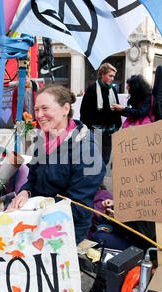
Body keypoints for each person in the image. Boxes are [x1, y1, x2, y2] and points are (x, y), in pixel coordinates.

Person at [7, 85, 106, 243]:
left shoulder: (86, 149)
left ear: (65, 109)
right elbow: (32, 181)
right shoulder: (42, 141)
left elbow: (78, 206)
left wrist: (34, 211)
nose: (39, 115)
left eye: (45, 108)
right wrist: (25, 192)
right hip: (36, 219)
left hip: (67, 228)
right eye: (36, 109)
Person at [80, 62, 121, 164]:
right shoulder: (92, 89)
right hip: (95, 131)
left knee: (105, 158)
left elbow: (117, 108)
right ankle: (97, 179)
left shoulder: (113, 90)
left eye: (113, 76)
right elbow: (84, 111)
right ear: (102, 74)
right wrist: (87, 128)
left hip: (109, 131)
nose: (112, 79)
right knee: (95, 157)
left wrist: (117, 124)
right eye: (110, 76)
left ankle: (100, 177)